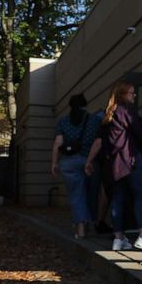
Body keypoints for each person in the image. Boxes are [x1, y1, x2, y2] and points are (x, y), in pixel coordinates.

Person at [85, 81, 142, 253]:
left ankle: (118, 238)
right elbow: (140, 132)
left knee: (118, 200)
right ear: (121, 95)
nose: (134, 96)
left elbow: (99, 141)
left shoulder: (108, 116)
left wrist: (89, 161)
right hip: (131, 161)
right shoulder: (126, 110)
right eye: (131, 93)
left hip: (114, 165)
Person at [52, 94, 102, 238]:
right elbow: (99, 141)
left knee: (77, 195)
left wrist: (54, 163)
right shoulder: (94, 120)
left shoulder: (63, 122)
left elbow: (58, 143)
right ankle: (90, 222)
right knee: (92, 194)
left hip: (69, 163)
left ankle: (80, 229)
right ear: (85, 106)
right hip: (90, 161)